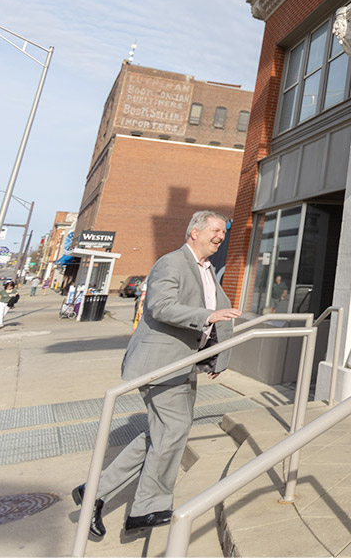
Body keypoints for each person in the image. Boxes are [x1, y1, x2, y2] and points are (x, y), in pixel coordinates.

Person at [72, 211, 241, 539]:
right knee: (173, 430)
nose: (220, 236)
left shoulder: (207, 271)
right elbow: (161, 307)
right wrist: (209, 315)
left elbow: (216, 316)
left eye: (223, 231)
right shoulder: (172, 262)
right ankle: (146, 506)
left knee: (161, 434)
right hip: (160, 366)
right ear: (194, 232)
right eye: (215, 230)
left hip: (184, 365)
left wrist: (215, 358)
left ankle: (92, 494)